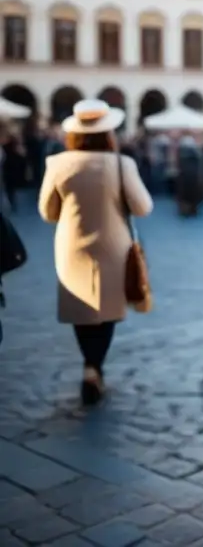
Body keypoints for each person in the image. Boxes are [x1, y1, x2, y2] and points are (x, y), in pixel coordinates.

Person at [38, 100, 154, 405]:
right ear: (109, 133)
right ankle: (95, 366)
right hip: (113, 246)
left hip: (72, 246)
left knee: (82, 311)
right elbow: (143, 206)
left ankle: (89, 366)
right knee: (107, 312)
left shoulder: (58, 164)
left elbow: (47, 212)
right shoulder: (121, 164)